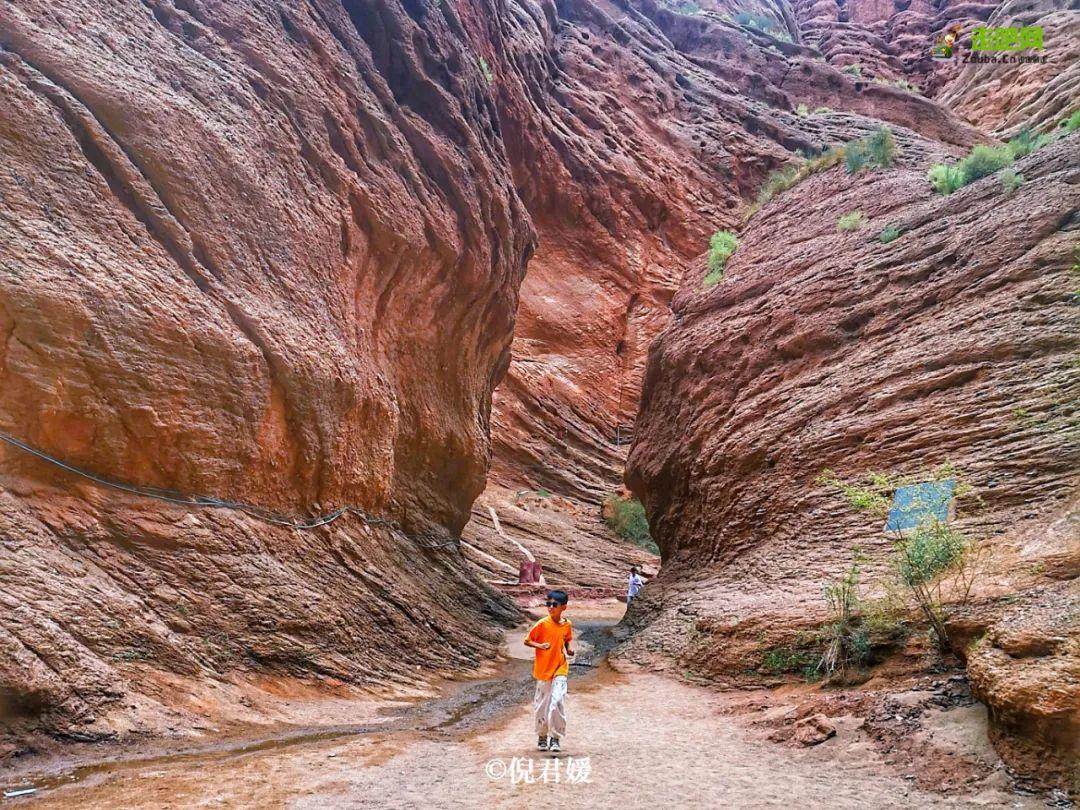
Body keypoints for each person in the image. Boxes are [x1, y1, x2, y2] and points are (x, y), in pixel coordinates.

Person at [523, 590, 574, 752]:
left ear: (563, 607)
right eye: (548, 604)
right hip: (544, 670)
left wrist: (568, 650)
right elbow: (527, 641)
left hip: (560, 667)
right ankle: (542, 736)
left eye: (554, 605)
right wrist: (540, 646)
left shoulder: (567, 624)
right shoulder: (542, 624)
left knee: (557, 701)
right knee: (542, 706)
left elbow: (566, 640)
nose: (550, 607)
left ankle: (556, 738)